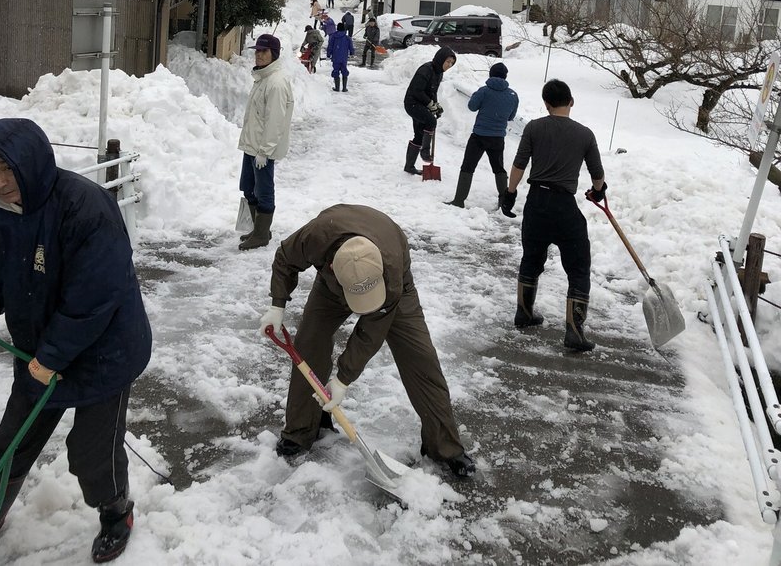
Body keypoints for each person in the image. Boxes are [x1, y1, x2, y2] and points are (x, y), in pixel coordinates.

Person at [0, 118, 152, 563]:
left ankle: (117, 513)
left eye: (7, 171)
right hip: (41, 349)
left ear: (30, 164)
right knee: (10, 441)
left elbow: (96, 297)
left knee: (92, 454)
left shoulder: (85, 207)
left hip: (104, 353)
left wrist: (52, 356)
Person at [259, 204, 476, 478]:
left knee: (421, 359)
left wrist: (342, 380)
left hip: (393, 286)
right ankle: (301, 432)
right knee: (309, 344)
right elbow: (284, 259)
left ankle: (445, 448)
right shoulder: (315, 238)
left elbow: (371, 332)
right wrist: (277, 305)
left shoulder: (392, 268)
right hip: (330, 287)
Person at [500, 79, 606, 352]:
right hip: (564, 207)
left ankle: (524, 313)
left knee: (531, 258)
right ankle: (574, 332)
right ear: (571, 101)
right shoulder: (585, 134)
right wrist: (598, 191)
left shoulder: (534, 127)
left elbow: (519, 163)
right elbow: (597, 175)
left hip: (536, 203)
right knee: (579, 267)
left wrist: (510, 193)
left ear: (546, 105)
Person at [237, 33, 295, 252]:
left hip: (263, 149)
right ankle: (258, 229)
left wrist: (265, 150)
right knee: (248, 188)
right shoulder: (262, 79)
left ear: (274, 54)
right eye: (257, 51)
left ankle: (261, 234)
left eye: (264, 51)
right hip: (252, 146)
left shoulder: (276, 83)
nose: (258, 55)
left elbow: (275, 122)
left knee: (263, 190)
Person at [445, 61, 518, 209]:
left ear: (491, 75)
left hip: (479, 136)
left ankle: (459, 200)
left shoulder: (484, 91)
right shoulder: (513, 95)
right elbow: (511, 117)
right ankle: (503, 200)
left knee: (468, 167)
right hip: (498, 138)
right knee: (499, 168)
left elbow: (472, 107)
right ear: (505, 77)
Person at [403, 46, 456, 174]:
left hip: (422, 105)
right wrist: (430, 104)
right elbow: (417, 90)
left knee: (419, 135)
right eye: (448, 61)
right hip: (412, 103)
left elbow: (432, 91)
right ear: (440, 59)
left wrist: (436, 105)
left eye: (452, 63)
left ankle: (409, 167)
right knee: (431, 122)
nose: (449, 65)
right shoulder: (425, 70)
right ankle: (425, 151)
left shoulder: (439, 72)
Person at [327, 22, 354, 92]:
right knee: (344, 71)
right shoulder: (347, 38)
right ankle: (344, 88)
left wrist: (328, 54)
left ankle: (337, 87)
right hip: (344, 58)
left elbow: (330, 46)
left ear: (337, 28)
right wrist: (352, 53)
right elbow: (351, 47)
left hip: (335, 57)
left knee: (336, 71)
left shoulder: (333, 36)